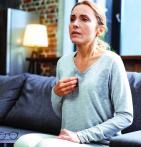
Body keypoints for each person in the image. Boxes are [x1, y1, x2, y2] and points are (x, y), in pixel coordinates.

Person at [14, 0, 133, 147]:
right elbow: (60, 113)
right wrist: (56, 93)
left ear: (99, 30)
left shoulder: (112, 61)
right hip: (67, 139)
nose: (75, 24)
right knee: (22, 142)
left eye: (84, 19)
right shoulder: (63, 62)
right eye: (72, 19)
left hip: (99, 142)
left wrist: (81, 136)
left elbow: (125, 116)